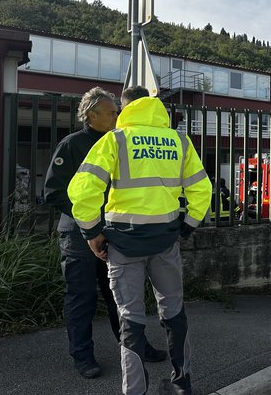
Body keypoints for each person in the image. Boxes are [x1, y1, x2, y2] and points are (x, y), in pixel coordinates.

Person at [68, 85, 212, 395]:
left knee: (130, 320)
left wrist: (93, 233)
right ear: (155, 107)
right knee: (174, 312)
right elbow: (203, 190)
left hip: (123, 245)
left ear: (126, 109)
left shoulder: (115, 140)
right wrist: (186, 227)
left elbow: (82, 191)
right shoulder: (180, 141)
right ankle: (181, 384)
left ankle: (135, 390)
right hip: (166, 242)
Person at [44, 86, 167, 379]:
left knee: (121, 297)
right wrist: (90, 222)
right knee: (81, 297)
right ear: (92, 115)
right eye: (112, 111)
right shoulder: (72, 145)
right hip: (78, 236)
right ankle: (83, 356)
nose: (117, 115)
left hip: (113, 231)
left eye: (117, 110)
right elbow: (52, 191)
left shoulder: (119, 143)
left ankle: (136, 347)